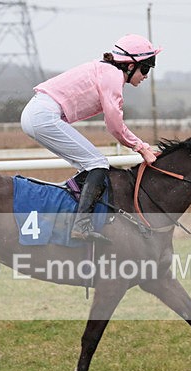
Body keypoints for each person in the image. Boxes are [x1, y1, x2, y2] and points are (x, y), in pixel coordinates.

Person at [21, 34, 161, 243]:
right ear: (130, 65)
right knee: (97, 163)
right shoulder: (113, 76)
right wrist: (141, 147)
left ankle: (71, 216)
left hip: (38, 113)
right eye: (145, 69)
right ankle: (81, 225)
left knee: (89, 166)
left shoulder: (106, 70)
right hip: (43, 115)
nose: (146, 76)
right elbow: (115, 125)